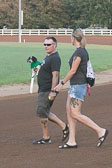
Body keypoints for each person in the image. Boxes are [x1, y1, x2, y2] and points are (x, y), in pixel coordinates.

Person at [54, 29, 109, 149]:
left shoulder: (80, 52)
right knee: (69, 111)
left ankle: (100, 131)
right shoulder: (79, 51)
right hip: (75, 86)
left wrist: (61, 83)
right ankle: (72, 140)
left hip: (78, 87)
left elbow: (73, 70)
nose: (70, 39)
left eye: (71, 37)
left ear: (74, 38)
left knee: (75, 113)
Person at [32, 36, 69, 144]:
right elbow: (47, 70)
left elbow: (55, 75)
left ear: (55, 45)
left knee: (42, 112)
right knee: (43, 111)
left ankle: (59, 129)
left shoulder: (54, 58)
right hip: (43, 89)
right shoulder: (48, 57)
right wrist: (38, 68)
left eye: (48, 44)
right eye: (44, 44)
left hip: (47, 90)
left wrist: (53, 91)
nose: (46, 46)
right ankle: (47, 136)